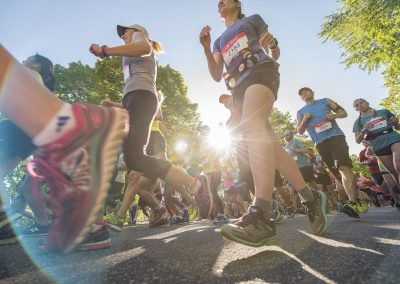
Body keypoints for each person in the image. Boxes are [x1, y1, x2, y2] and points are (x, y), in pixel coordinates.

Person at [200, 1, 327, 247]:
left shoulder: (252, 20)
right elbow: (216, 74)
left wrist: (273, 44)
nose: (220, 3)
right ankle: (311, 198)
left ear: (237, 3)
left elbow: (273, 52)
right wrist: (206, 48)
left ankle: (261, 215)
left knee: (251, 129)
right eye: (217, 3)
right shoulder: (218, 41)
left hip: (261, 71)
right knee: (272, 147)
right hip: (238, 88)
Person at [0, 45, 126, 253]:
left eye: (28, 58)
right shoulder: (35, 80)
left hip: (16, 128)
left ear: (37, 65)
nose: (22, 61)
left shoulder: (28, 73)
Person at [89, 24, 211, 228]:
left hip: (141, 97)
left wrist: (105, 51)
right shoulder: (129, 50)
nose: (123, 35)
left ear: (137, 31)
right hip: (133, 98)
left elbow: (144, 49)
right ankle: (195, 184)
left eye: (125, 31)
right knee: (133, 159)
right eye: (122, 34)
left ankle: (193, 184)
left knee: (135, 159)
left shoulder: (139, 37)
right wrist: (116, 104)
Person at [297, 87, 367, 218]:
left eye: (306, 91)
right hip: (321, 144)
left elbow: (344, 113)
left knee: (343, 166)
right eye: (301, 94)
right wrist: (305, 120)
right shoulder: (301, 112)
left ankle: (352, 202)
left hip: (336, 137)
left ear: (312, 93)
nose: (304, 94)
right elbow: (300, 131)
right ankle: (357, 199)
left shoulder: (325, 101)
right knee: (339, 176)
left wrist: (334, 115)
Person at [352, 98, 400, 186]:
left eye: (361, 103)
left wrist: (395, 123)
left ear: (367, 103)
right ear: (356, 109)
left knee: (398, 164)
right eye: (357, 105)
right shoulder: (358, 122)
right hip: (379, 146)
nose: (360, 105)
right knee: (394, 173)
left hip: (394, 138)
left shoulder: (384, 112)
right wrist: (363, 131)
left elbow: (397, 127)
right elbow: (358, 140)